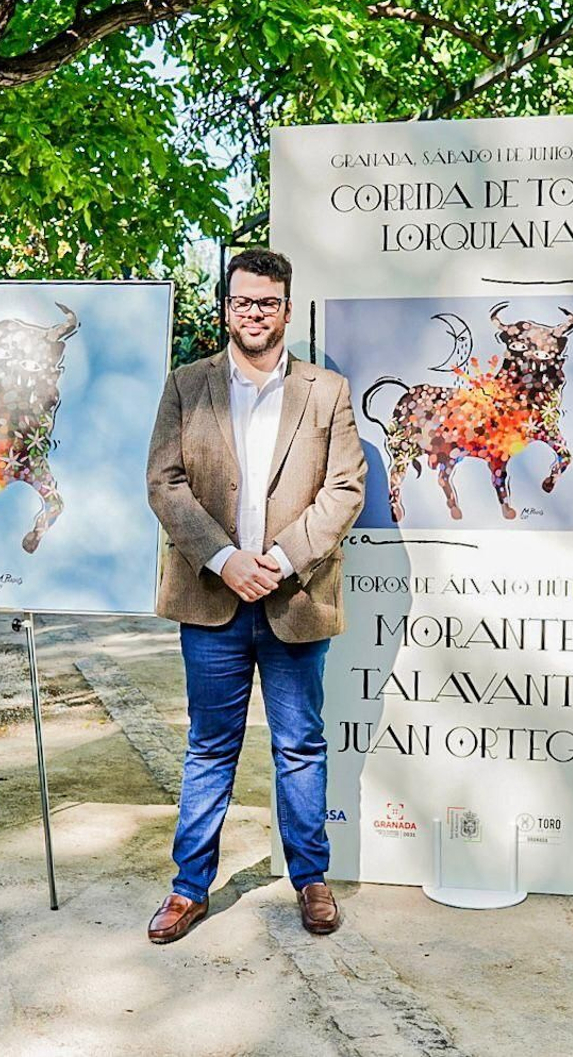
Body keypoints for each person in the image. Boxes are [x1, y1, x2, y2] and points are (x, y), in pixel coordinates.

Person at [144, 248, 365, 943]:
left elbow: (345, 488)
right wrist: (223, 558)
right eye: (242, 301)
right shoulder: (187, 384)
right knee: (210, 746)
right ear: (226, 307)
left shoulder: (326, 391)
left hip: (294, 598)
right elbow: (165, 482)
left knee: (300, 744)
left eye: (267, 302)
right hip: (211, 602)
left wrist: (278, 558)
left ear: (287, 309)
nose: (254, 313)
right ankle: (188, 888)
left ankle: (311, 880)